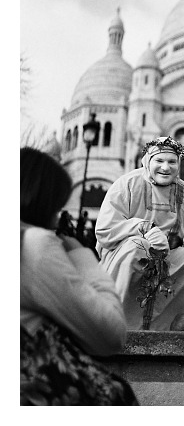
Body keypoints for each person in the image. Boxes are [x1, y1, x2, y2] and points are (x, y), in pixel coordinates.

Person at [20, 147, 136, 406]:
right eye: (57, 206)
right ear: (42, 202)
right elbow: (110, 335)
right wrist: (83, 257)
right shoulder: (33, 245)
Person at [95, 136, 184, 331]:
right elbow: (105, 228)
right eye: (159, 161)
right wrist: (145, 229)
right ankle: (114, 319)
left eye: (172, 162)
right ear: (147, 162)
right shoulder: (127, 184)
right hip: (125, 255)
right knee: (137, 247)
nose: (165, 168)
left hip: (169, 260)